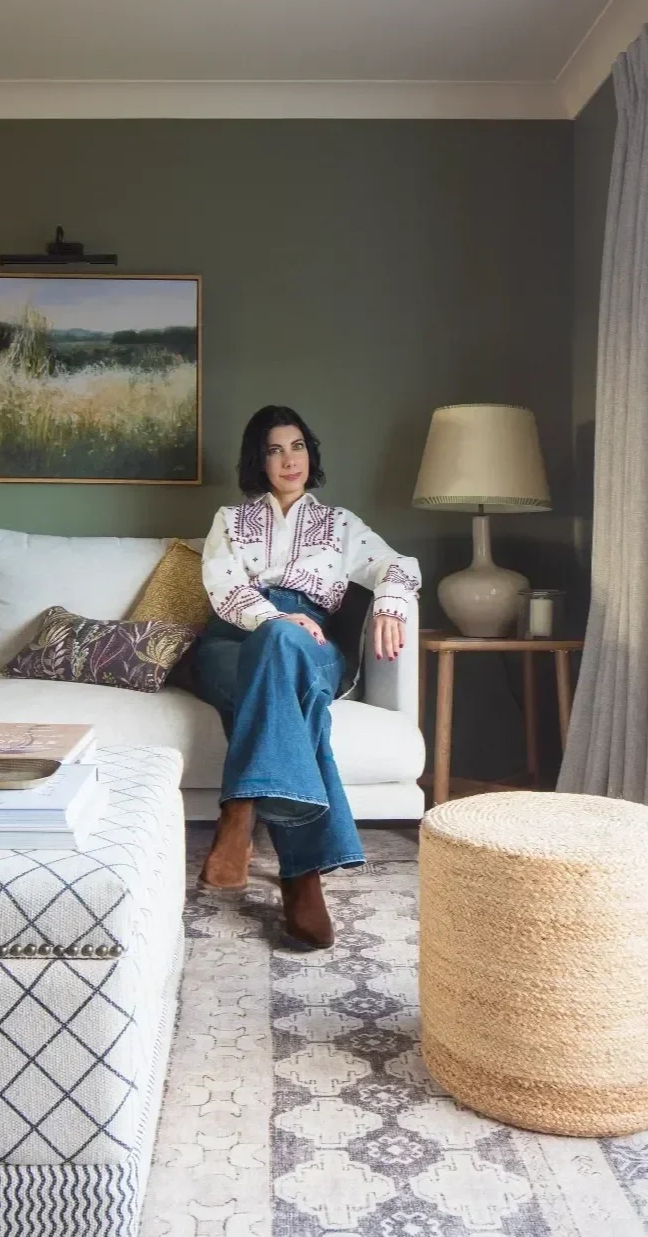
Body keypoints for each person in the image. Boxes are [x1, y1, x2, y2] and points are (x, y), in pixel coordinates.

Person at [192, 405, 421, 949]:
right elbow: (223, 587)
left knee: (287, 653)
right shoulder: (229, 520)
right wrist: (273, 619)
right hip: (234, 638)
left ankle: (242, 810)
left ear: (310, 454)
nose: (288, 459)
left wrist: (390, 604)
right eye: (274, 449)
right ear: (259, 460)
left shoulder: (341, 525)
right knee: (294, 688)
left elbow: (398, 564)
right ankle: (301, 878)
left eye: (297, 446)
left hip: (313, 641)